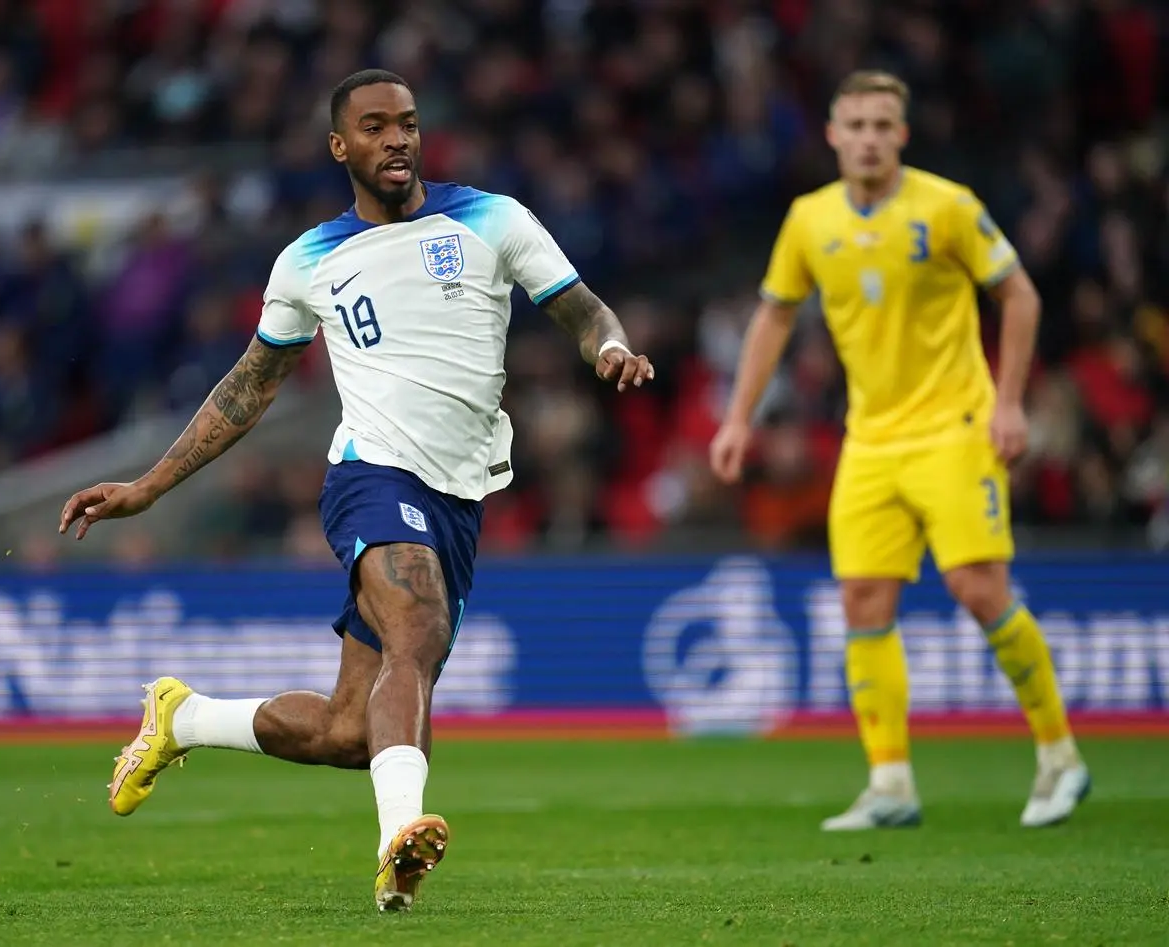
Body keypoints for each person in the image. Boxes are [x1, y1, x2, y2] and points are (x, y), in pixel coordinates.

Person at [58, 69, 654, 911]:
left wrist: (609, 348)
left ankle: (181, 717)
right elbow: (250, 387)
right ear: (342, 146)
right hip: (370, 473)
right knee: (417, 627)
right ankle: (395, 847)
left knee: (351, 727)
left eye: (407, 123)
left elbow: (585, 309)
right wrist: (150, 486)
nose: (397, 139)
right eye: (375, 127)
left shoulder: (493, 219)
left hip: (459, 494)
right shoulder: (308, 259)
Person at [708, 71, 1088, 831]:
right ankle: (890, 783)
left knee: (979, 588)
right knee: (863, 603)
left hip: (955, 428)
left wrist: (1009, 401)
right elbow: (775, 316)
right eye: (856, 124)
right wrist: (738, 416)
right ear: (832, 134)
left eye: (884, 125)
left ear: (903, 135)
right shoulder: (810, 220)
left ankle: (1059, 754)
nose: (870, 138)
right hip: (871, 439)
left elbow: (1020, 295)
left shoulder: (948, 207)